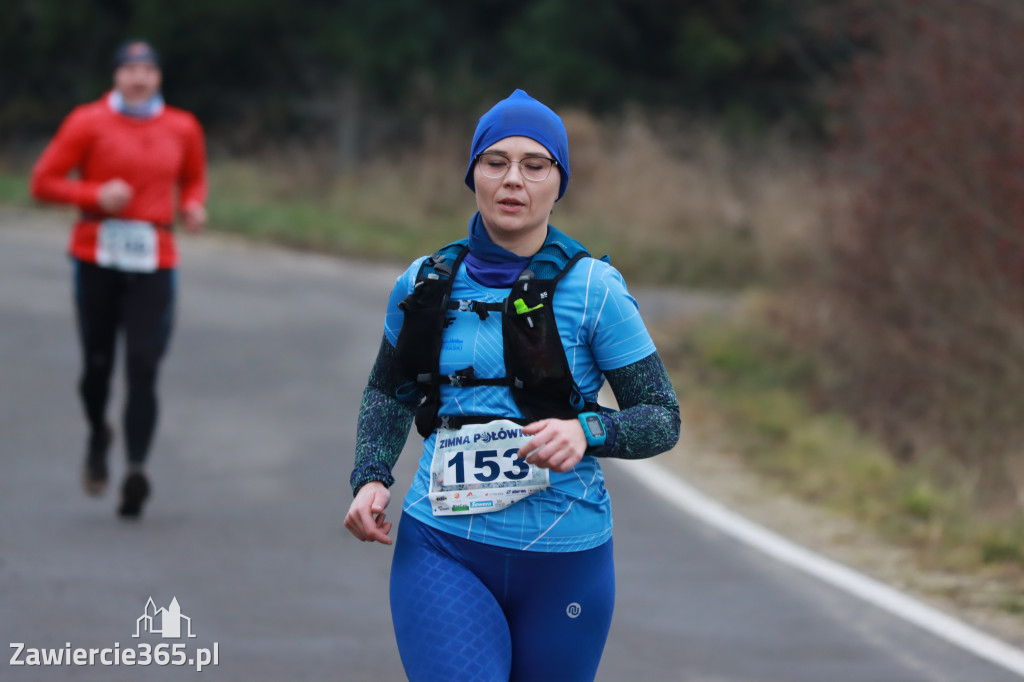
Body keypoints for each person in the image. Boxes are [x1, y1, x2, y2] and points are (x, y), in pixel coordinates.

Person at [344, 89, 680, 682]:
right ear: (472, 174)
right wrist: (371, 476)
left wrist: (587, 430)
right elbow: (385, 393)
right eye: (495, 162)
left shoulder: (597, 290)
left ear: (559, 181)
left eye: (534, 165)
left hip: (566, 558)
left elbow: (661, 416)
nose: (513, 180)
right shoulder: (422, 285)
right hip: (442, 546)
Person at [29, 40, 207, 519]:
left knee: (144, 365)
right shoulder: (87, 121)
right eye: (130, 69)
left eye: (148, 69)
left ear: (159, 77)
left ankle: (134, 470)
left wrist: (191, 205)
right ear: (115, 77)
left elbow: (193, 178)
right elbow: (42, 182)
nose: (139, 77)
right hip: (96, 252)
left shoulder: (182, 126)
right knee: (97, 364)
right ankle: (96, 431)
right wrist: (92, 192)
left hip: (155, 255)